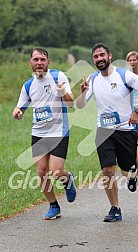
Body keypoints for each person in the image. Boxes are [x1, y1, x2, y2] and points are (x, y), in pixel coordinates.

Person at [76, 43, 138, 222]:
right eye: (96, 57)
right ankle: (115, 208)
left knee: (126, 170)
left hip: (125, 130)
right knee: (107, 170)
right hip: (104, 130)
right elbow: (80, 105)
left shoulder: (123, 75)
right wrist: (82, 92)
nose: (99, 59)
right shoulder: (93, 79)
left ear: (109, 56)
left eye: (102, 55)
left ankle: (132, 174)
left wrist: (137, 110)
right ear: (93, 60)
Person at [12, 47, 76, 220]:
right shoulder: (28, 85)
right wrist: (17, 112)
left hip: (58, 131)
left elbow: (71, 104)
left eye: (42, 59)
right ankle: (54, 206)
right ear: (30, 62)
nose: (39, 63)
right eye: (36, 60)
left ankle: (68, 179)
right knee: (41, 172)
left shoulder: (58, 77)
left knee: (55, 172)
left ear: (48, 62)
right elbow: (20, 108)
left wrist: (63, 92)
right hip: (39, 133)